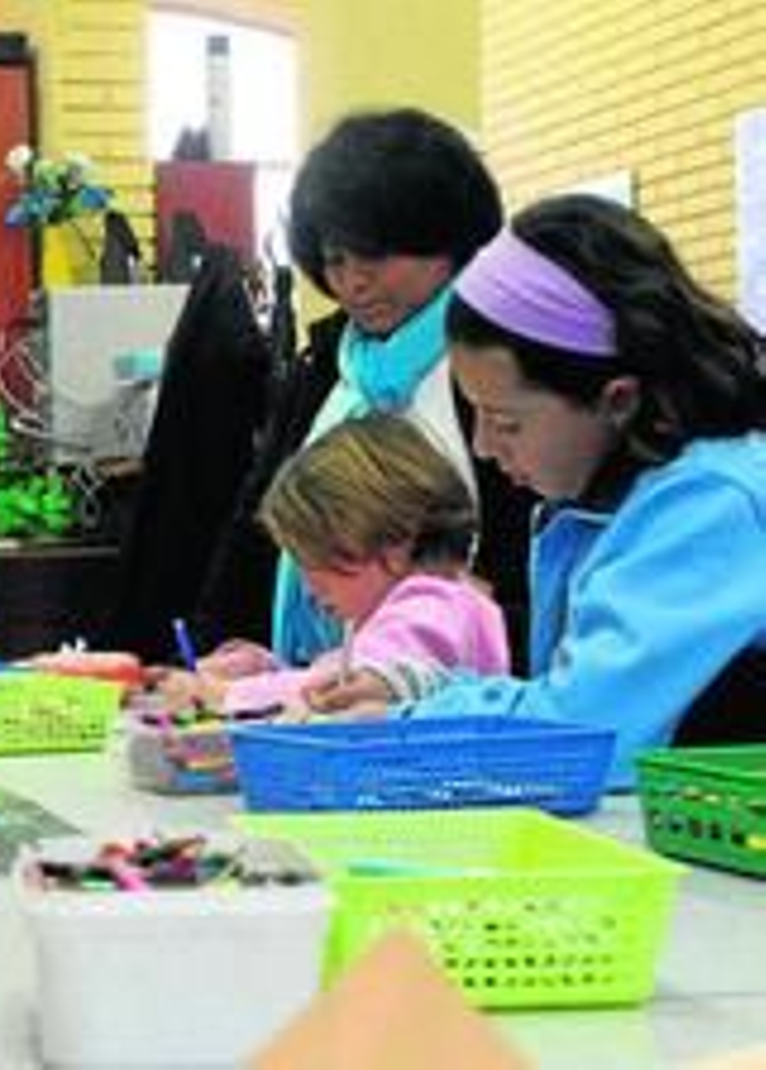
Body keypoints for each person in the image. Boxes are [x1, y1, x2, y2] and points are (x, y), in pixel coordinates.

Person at [310, 194, 766, 786]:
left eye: (505, 422)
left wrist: (406, 725)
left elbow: (586, 734)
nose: (481, 446)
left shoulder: (707, 506)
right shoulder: (613, 502)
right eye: (474, 414)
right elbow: (571, 691)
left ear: (617, 400)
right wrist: (418, 688)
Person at [191, 107, 534, 677]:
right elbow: (258, 535)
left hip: (457, 696)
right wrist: (230, 650)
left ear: (447, 241)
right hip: (311, 685)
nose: (353, 281)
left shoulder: (499, 365)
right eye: (335, 259)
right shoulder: (326, 366)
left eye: (375, 255)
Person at [152, 412, 510, 714]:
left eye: (318, 559)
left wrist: (222, 695)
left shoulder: (432, 607)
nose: (310, 588)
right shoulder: (425, 608)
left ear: (394, 540)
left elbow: (343, 689)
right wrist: (263, 670)